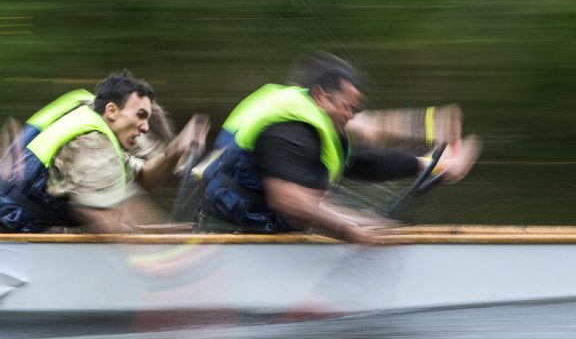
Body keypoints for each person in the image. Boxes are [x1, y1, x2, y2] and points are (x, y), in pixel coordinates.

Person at [198, 52, 480, 244]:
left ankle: (434, 161)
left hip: (250, 196)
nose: (352, 116)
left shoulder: (307, 114)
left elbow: (359, 163)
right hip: (244, 210)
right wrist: (351, 231)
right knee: (322, 205)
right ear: (322, 96)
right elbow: (288, 202)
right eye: (348, 108)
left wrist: (424, 164)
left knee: (336, 195)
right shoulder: (289, 132)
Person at [0, 71, 204, 233]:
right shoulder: (91, 142)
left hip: (17, 224)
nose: (145, 127)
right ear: (112, 111)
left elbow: (142, 176)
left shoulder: (89, 115)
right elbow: (101, 213)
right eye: (140, 116)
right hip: (20, 232)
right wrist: (168, 260)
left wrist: (173, 153)